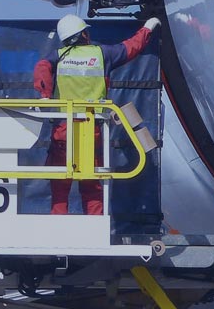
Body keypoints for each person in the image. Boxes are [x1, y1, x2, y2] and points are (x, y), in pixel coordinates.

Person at [33, 14, 161, 215]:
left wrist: (44, 95)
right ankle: (94, 225)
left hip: (63, 129)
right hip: (90, 128)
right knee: (91, 182)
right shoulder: (103, 54)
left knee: (60, 184)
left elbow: (42, 67)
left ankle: (58, 226)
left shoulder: (58, 56)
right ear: (83, 34)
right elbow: (131, 47)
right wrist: (148, 28)